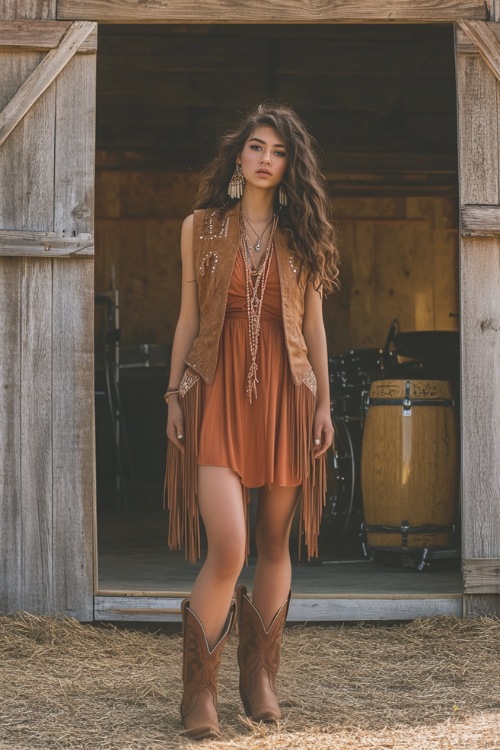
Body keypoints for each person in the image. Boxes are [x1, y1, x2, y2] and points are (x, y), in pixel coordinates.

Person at [164, 102, 339, 740]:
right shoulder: (200, 227)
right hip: (214, 392)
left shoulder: (306, 236)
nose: (268, 160)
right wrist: (173, 393)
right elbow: (188, 318)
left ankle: (259, 679)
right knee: (230, 546)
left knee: (272, 543)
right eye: (257, 147)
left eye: (280, 152)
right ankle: (199, 692)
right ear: (238, 156)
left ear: (292, 165)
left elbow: (314, 327)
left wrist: (323, 404)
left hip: (288, 398)